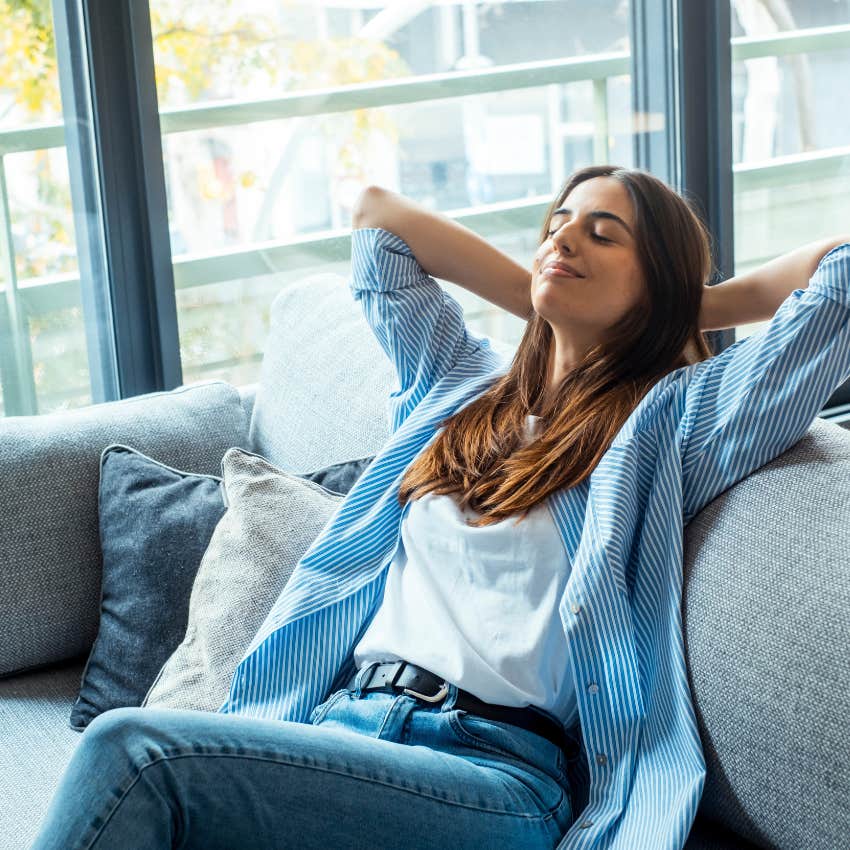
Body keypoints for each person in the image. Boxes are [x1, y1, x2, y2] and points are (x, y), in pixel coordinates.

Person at [31, 165, 849, 850]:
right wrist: (543, 284)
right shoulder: (456, 384)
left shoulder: (675, 424)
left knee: (132, 753)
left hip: (492, 773)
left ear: (659, 280)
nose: (564, 239)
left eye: (603, 235)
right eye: (557, 224)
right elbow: (378, 219)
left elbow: (841, 272)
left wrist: (690, 306)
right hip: (337, 733)